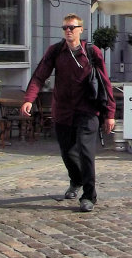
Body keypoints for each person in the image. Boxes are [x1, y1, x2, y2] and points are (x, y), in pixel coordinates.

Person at [20, 14, 116, 213]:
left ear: (81, 29)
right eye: (65, 28)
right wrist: (29, 99)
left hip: (88, 110)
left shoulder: (91, 52)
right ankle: (76, 180)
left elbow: (105, 83)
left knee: (85, 152)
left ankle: (89, 196)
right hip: (63, 111)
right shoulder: (55, 52)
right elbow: (39, 75)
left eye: (72, 27)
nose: (68, 31)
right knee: (67, 152)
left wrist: (109, 113)